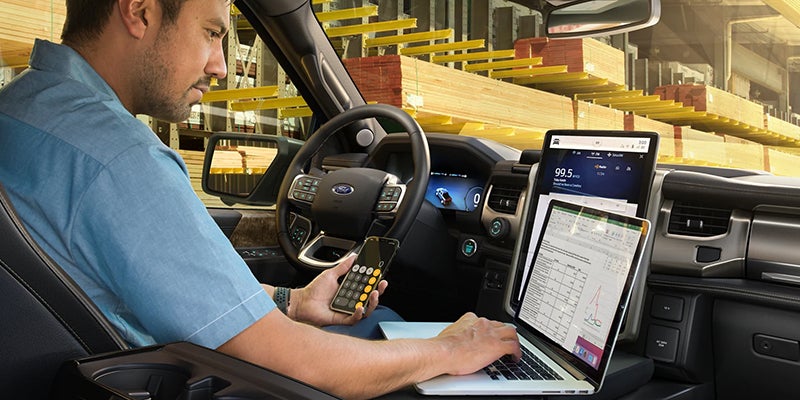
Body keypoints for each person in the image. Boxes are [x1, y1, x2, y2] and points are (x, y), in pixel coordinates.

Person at [0, 0, 521, 398]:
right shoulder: (121, 160)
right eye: (211, 34)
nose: (220, 66)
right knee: (402, 333)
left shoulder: (24, 107)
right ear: (139, 12)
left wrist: (292, 302)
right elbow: (304, 365)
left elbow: (156, 286)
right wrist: (448, 349)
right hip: (162, 379)